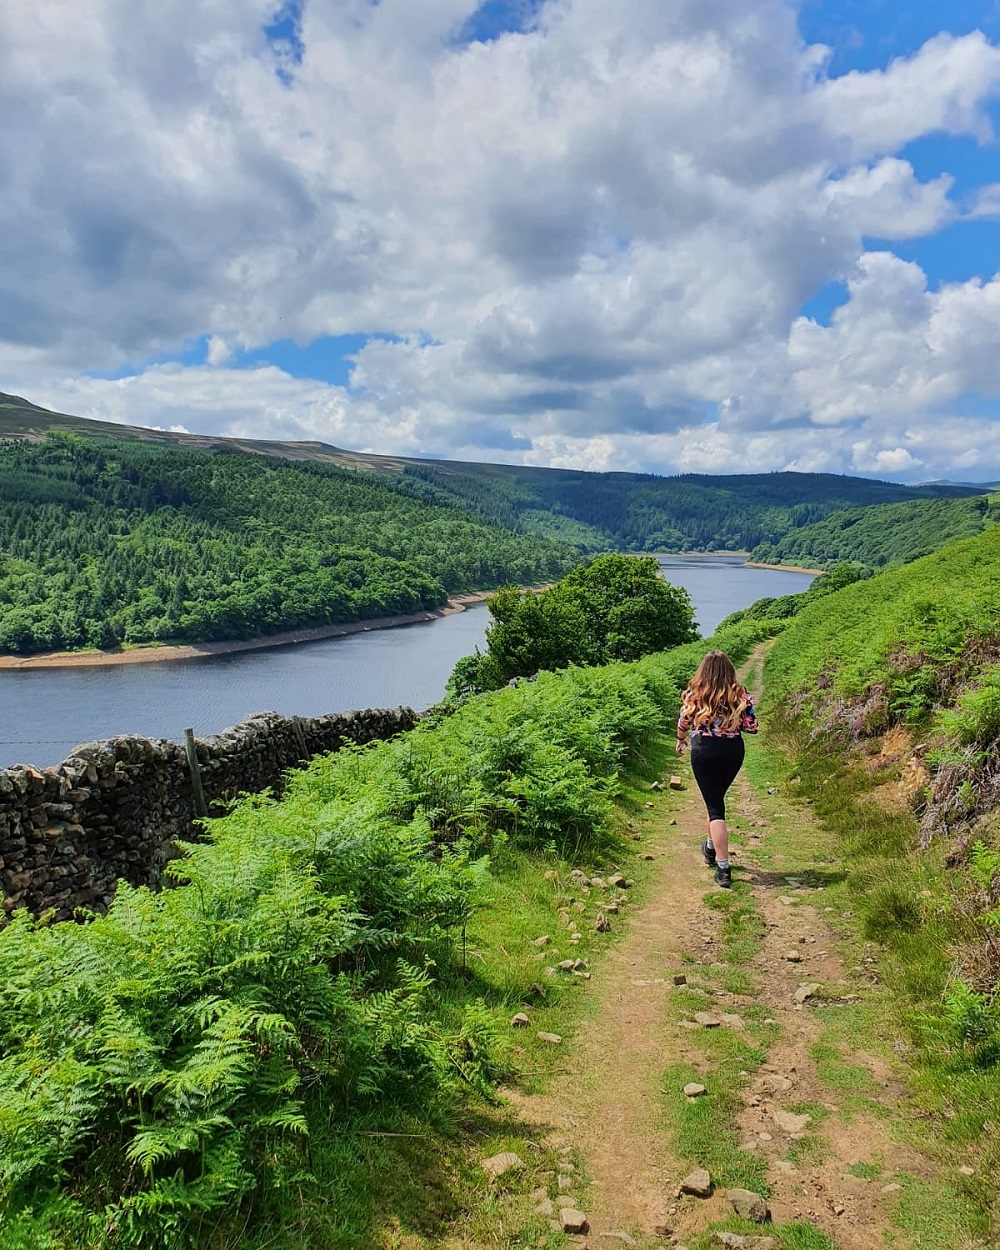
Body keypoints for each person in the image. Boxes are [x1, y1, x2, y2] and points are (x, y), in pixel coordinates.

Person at [675, 650, 758, 888]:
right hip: (732, 752)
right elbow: (752, 727)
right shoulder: (739, 693)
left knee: (715, 809)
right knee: (715, 801)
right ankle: (710, 848)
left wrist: (681, 739)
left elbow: (683, 723)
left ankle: (723, 868)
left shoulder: (695, 693)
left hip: (704, 751)